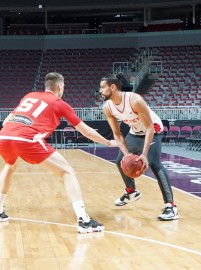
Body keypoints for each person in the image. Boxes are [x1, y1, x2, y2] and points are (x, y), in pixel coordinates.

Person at [0, 72, 121, 233]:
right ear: (59, 87)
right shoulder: (59, 103)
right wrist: (108, 142)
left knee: (10, 165)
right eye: (63, 86)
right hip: (27, 139)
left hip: (4, 135)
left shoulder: (30, 96)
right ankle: (83, 220)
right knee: (68, 172)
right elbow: (86, 131)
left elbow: (8, 119)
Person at [99, 73, 179, 221]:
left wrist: (144, 154)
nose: (100, 91)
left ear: (113, 87)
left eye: (103, 87)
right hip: (134, 131)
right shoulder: (107, 107)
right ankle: (131, 192)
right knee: (120, 161)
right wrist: (127, 154)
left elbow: (149, 128)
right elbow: (117, 134)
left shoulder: (134, 100)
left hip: (153, 130)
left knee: (154, 163)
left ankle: (171, 206)